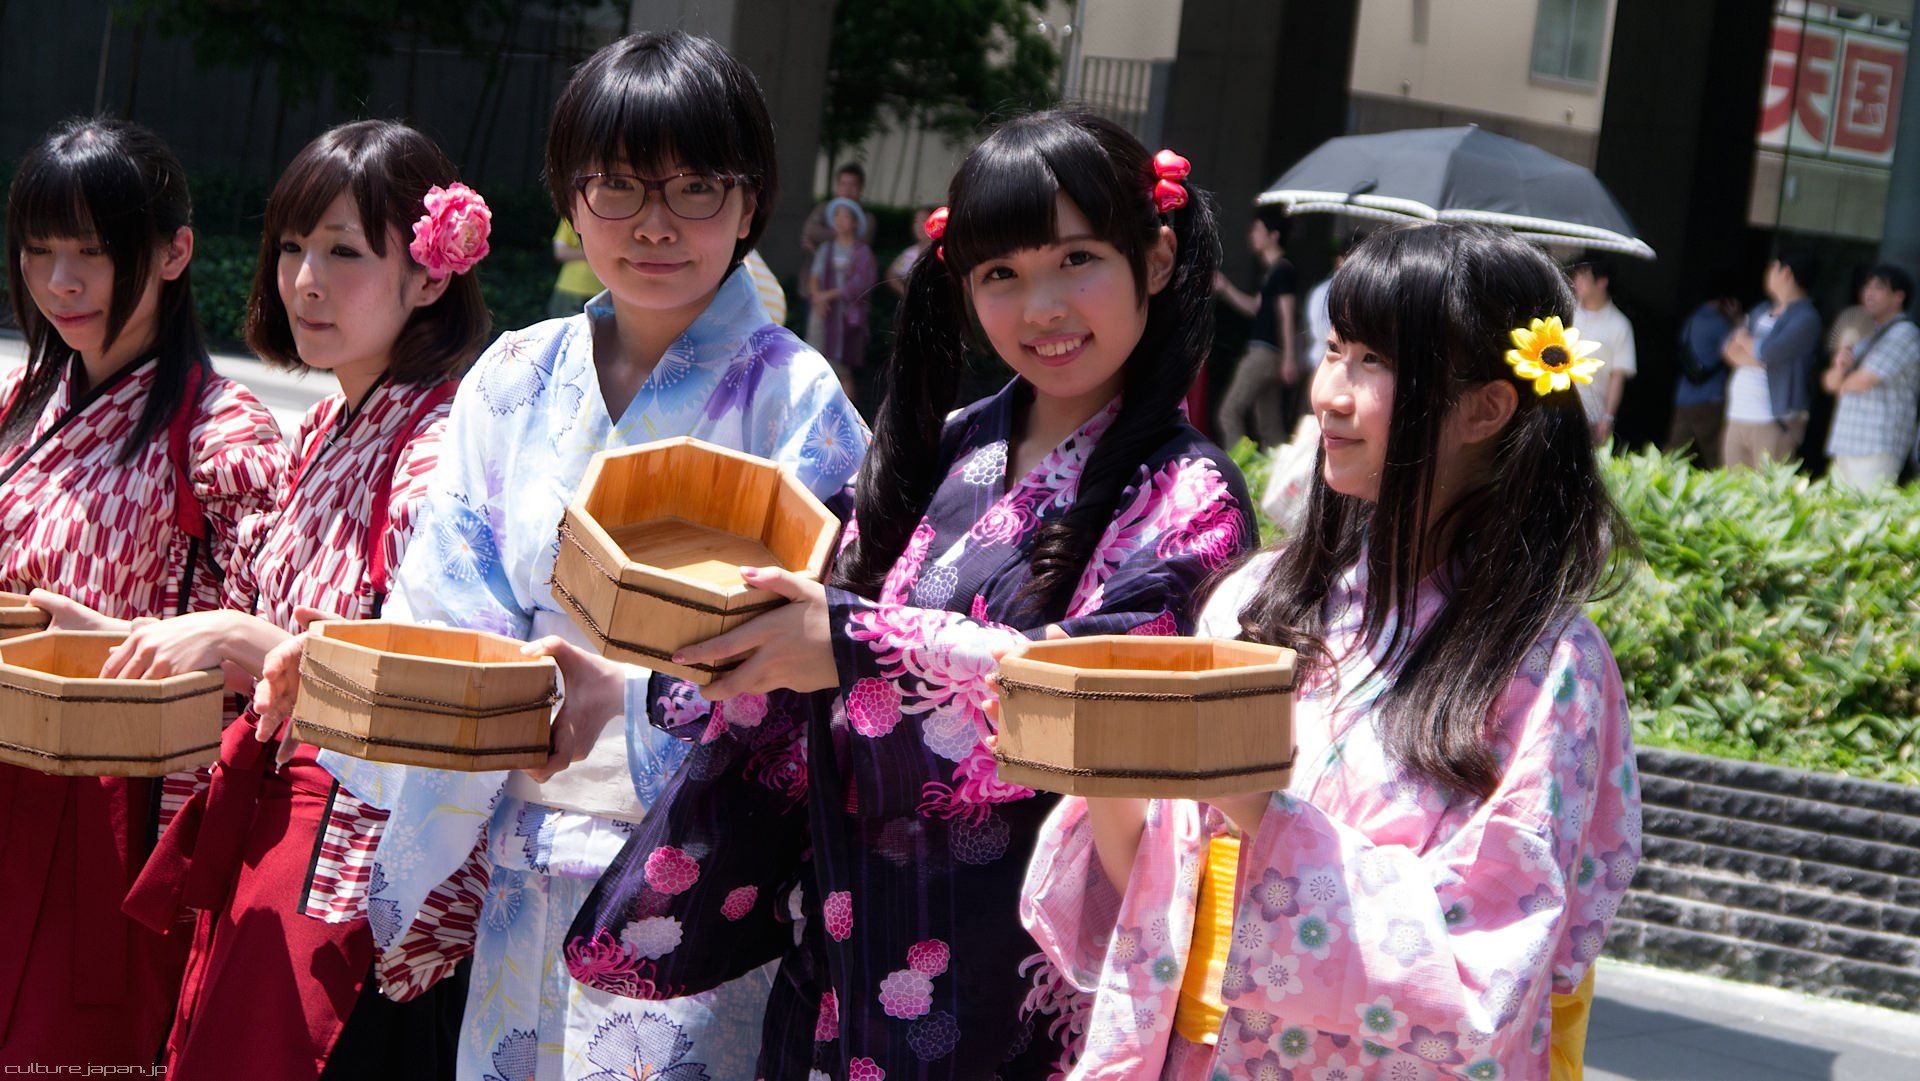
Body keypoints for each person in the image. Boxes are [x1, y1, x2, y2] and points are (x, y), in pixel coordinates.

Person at [559, 107, 1257, 1079]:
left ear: (1157, 257)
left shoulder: (1191, 499)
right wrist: (663, 671)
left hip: (1012, 981)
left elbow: (1110, 698)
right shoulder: (948, 447)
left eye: (1077, 260)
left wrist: (854, 646)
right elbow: (810, 613)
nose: (1043, 307)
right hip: (841, 953)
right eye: (1001, 274)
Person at [253, 32, 869, 1081]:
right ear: (572, 200)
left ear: (751, 202)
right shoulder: (516, 376)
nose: (655, 224)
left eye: (696, 187)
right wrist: (361, 673)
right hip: (524, 858)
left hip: (696, 883)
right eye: (617, 186)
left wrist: (619, 702)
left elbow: (817, 661)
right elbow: (448, 604)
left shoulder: (799, 400)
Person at [1022, 223, 1641, 1080]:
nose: (1328, 394)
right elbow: (1157, 888)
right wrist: (1110, 750)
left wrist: (1261, 807)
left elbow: (1489, 965)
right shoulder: (1255, 599)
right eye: (1334, 351)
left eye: (1373, 363)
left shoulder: (1551, 666)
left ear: (1487, 408)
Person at [35, 120, 490, 1081]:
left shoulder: (442, 448)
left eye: (344, 252)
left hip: (360, 856)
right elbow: (255, 624)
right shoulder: (326, 423)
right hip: (275, 822)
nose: (305, 281)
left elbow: (435, 681)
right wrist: (120, 634)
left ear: (431, 277)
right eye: (291, 247)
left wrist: (245, 639)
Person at [0, 117, 286, 1068]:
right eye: (39, 250)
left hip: (116, 819)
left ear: (175, 252)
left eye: (92, 251)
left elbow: (279, 648)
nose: (60, 283)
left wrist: (116, 634)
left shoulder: (223, 435)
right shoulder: (24, 401)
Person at [1822, 264, 1919, 489]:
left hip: (1877, 445)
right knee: (1837, 507)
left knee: (1865, 508)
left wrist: (1841, 381)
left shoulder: (1906, 333)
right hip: (1845, 440)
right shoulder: (1864, 334)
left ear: (1898, 297)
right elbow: (1829, 382)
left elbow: (1863, 380)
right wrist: (1839, 366)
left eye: (1878, 287)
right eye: (1866, 286)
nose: (1869, 293)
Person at [1723, 253, 1823, 469]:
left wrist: (1747, 343)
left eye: (1772, 269)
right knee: (1732, 485)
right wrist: (1757, 355)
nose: (1767, 275)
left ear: (1785, 273)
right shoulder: (1761, 310)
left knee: (1767, 485)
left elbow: (1770, 352)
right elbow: (1728, 348)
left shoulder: (1806, 317)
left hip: (1773, 419)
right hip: (1737, 413)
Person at [1212, 208, 1299, 448]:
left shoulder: (1283, 270)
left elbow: (1287, 314)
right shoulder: (1273, 272)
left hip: (1263, 353)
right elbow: (1254, 308)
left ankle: (1240, 466)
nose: (1252, 234)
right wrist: (1225, 288)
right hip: (1268, 354)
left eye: (1257, 229)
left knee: (1229, 412)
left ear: (1273, 235)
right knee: (1269, 427)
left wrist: (1289, 357)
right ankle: (1280, 470)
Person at [806, 196, 877, 387]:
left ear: (855, 223)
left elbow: (860, 284)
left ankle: (846, 407)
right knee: (813, 362)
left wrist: (827, 295)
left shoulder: (862, 252)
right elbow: (814, 277)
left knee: (842, 371)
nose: (839, 220)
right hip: (823, 312)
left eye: (845, 216)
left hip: (846, 316)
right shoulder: (826, 248)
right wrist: (817, 298)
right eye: (837, 215)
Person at [1668, 289, 1740, 468]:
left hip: (1684, 397)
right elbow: (1737, 349)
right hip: (1709, 399)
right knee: (1717, 458)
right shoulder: (1720, 324)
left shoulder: (1691, 320)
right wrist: (1735, 319)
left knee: (1674, 455)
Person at [1569, 256, 1638, 444]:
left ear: (1602, 282)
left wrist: (1607, 417)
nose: (1577, 282)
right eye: (1576, 276)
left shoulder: (1619, 325)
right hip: (1557, 407)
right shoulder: (1567, 312)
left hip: (1591, 415)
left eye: (1584, 277)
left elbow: (1617, 375)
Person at [548, 217, 604, 318]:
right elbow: (560, 252)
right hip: (573, 289)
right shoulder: (572, 217)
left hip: (604, 290)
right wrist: (594, 253)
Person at [886, 206, 935, 297]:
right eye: (916, 222)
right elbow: (891, 274)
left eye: (924, 220)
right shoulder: (909, 254)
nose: (919, 226)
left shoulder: (944, 252)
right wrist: (906, 293)